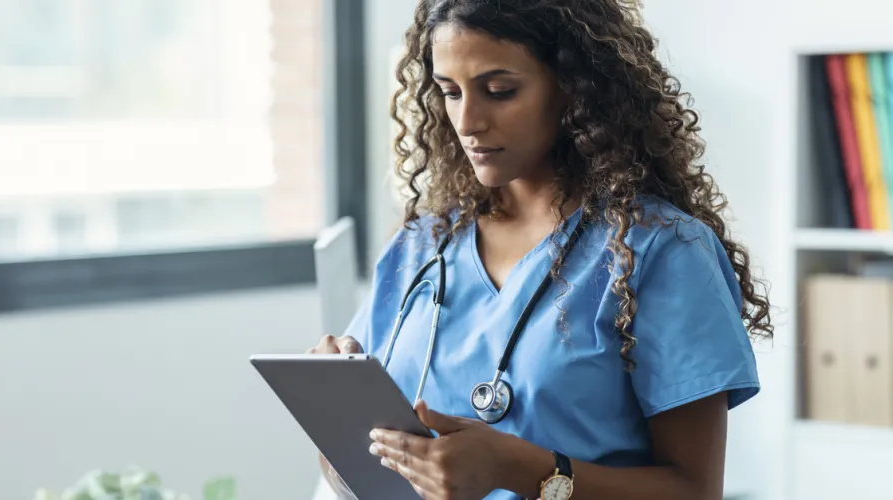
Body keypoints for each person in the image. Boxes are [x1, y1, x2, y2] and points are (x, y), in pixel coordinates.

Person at [307, 0, 773, 499]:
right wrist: (335, 409)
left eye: (499, 91)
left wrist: (519, 468)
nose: (468, 121)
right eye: (449, 92)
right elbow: (355, 473)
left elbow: (695, 492)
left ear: (572, 86)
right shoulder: (419, 247)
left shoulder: (662, 251)